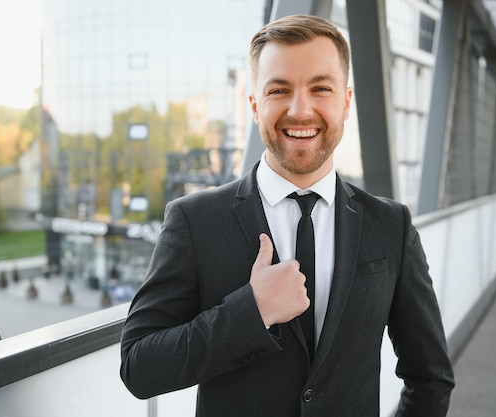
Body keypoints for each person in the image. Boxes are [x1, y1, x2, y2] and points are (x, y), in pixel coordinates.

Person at [120, 14, 454, 417]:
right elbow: (139, 367)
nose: (301, 110)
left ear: (346, 102)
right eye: (279, 90)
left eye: (321, 88)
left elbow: (430, 376)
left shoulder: (391, 226)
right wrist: (252, 312)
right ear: (255, 104)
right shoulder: (194, 221)